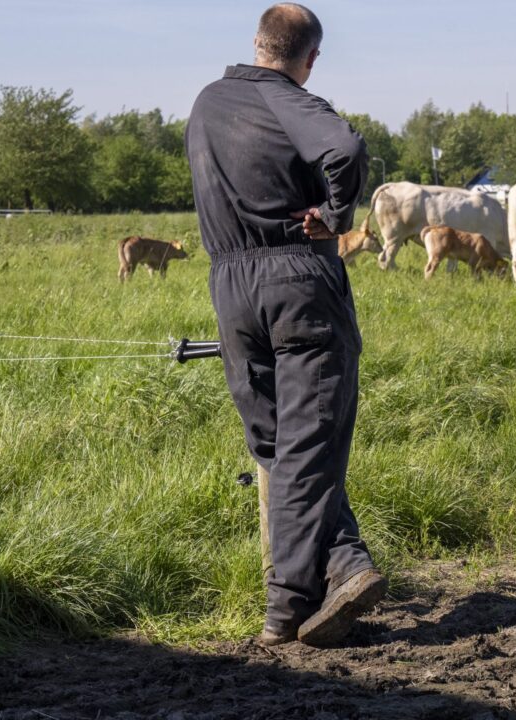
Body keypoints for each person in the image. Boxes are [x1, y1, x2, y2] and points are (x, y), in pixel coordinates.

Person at [185, 2, 384, 647]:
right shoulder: (284, 97)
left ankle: (338, 571)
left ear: (255, 42)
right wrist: (335, 213)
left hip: (231, 289)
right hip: (297, 277)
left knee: (275, 443)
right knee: (310, 442)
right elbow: (345, 147)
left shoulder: (206, 103)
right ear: (310, 59)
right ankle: (294, 601)